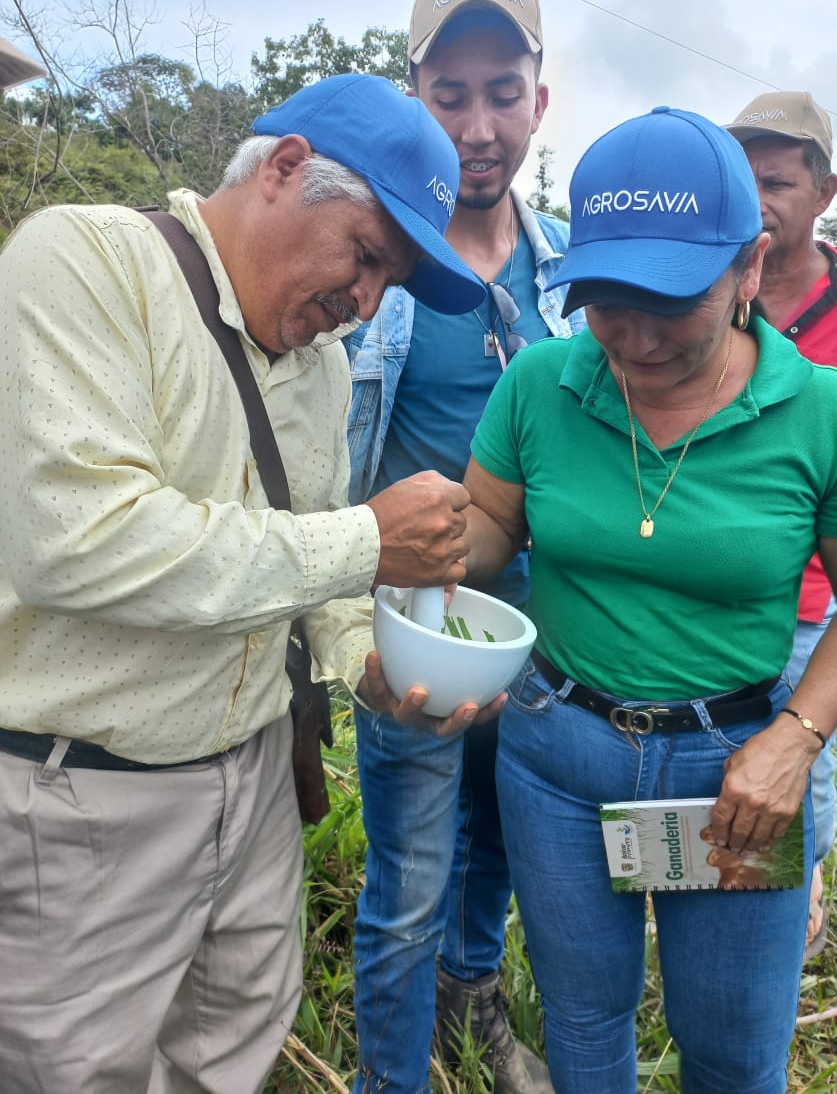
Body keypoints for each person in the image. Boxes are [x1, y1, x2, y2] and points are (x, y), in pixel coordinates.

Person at [0, 72, 497, 1094]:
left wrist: (370, 661)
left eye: (387, 283)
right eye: (364, 255)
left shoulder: (322, 367)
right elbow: (76, 535)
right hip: (86, 787)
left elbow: (309, 573)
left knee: (233, 1041)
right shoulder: (88, 261)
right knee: (73, 1067)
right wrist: (365, 540)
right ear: (281, 170)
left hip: (260, 772)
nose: (363, 301)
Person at [461, 105, 837, 1093]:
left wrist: (796, 739)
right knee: (585, 1023)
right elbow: (486, 536)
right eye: (604, 299)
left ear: (750, 268)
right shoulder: (542, 386)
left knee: (732, 1048)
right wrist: (409, 553)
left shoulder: (827, 415)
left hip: (737, 780)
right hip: (560, 758)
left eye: (671, 300)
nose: (634, 338)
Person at [344, 0, 581, 1094]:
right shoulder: (374, 271)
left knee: (491, 857)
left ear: (543, 97)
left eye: (504, 90)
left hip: (549, 644)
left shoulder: (582, 276)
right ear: (415, 98)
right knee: (405, 885)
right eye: (451, 94)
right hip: (415, 639)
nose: (479, 126)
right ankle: (392, 1074)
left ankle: (471, 1006)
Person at [725, 90, 837, 961]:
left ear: (823, 190)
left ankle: (795, 906)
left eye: (775, 181)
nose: (757, 201)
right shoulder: (707, 295)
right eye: (742, 182)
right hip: (723, 576)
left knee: (798, 745)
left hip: (819, 592)